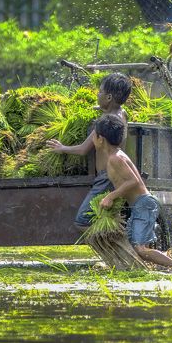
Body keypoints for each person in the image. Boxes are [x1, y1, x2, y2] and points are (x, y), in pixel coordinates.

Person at [94, 114, 172, 270]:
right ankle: (154, 266)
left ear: (100, 139)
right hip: (140, 205)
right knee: (134, 245)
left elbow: (133, 181)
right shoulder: (116, 156)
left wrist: (110, 196)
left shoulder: (116, 158)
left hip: (144, 204)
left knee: (140, 249)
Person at [47, 73, 132, 229]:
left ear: (109, 97)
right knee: (103, 217)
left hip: (106, 177)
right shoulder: (121, 113)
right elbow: (111, 109)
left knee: (82, 221)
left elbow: (83, 149)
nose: (97, 94)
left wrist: (62, 148)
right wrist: (101, 107)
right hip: (114, 174)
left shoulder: (106, 122)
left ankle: (116, 247)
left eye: (100, 92)